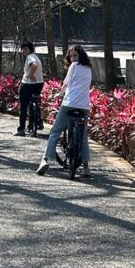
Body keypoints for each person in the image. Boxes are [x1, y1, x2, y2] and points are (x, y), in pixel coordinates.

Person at [36, 44, 91, 177]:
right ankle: (86, 167)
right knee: (83, 136)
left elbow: (65, 84)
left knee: (55, 131)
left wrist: (60, 94)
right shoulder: (89, 68)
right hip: (84, 106)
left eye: (75, 55)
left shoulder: (74, 66)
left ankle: (45, 160)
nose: (73, 58)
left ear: (80, 56)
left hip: (69, 104)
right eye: (71, 56)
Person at [15, 41, 44, 136]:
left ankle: (21, 129)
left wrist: (30, 75)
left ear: (30, 49)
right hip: (39, 83)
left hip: (27, 84)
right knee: (34, 102)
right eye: (22, 49)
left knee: (23, 106)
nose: (23, 51)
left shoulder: (30, 57)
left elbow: (34, 65)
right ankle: (34, 123)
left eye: (25, 49)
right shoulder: (36, 57)